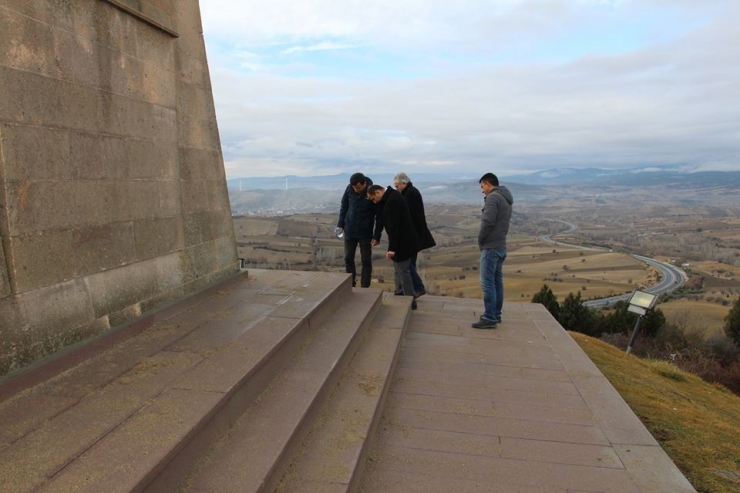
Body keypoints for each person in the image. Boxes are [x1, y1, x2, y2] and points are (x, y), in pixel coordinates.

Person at [367, 184, 419, 309]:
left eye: (373, 199)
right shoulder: (389, 198)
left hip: (403, 242)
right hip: (402, 241)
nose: (373, 202)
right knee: (398, 270)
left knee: (403, 271)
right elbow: (381, 219)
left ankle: (410, 301)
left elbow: (394, 227)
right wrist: (377, 236)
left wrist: (392, 248)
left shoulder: (392, 201)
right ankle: (400, 293)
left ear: (378, 193)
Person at [472, 173, 514, 329]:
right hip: (501, 245)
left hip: (491, 247)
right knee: (497, 282)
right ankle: (496, 314)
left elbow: (488, 221)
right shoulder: (505, 198)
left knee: (487, 283)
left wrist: (480, 239)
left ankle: (489, 317)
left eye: (482, 186)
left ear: (488, 184)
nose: (482, 190)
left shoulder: (492, 198)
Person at [393, 172, 435, 297]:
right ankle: (408, 289)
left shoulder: (410, 194)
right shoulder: (410, 192)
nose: (397, 189)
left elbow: (409, 216)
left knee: (407, 265)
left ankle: (418, 287)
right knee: (409, 264)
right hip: (414, 235)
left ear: (404, 183)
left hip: (413, 236)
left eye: (397, 186)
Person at [337, 173, 383, 288]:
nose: (355, 190)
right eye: (353, 188)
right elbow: (344, 206)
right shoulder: (349, 189)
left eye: (358, 188)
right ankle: (350, 284)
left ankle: (365, 286)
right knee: (348, 258)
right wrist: (341, 223)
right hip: (350, 230)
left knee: (366, 260)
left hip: (365, 232)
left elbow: (379, 216)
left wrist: (377, 235)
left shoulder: (372, 192)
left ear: (365, 184)